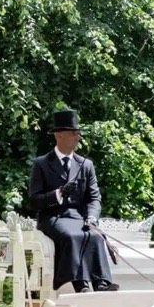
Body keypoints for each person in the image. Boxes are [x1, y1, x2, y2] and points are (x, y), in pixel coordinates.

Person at [27, 109, 118, 293]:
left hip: (79, 218)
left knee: (95, 235)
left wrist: (92, 218)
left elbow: (94, 198)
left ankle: (102, 283)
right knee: (72, 236)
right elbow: (33, 201)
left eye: (78, 133)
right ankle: (81, 283)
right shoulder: (41, 164)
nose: (78, 138)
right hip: (53, 218)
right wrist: (58, 194)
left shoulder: (85, 165)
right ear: (59, 135)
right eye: (73, 133)